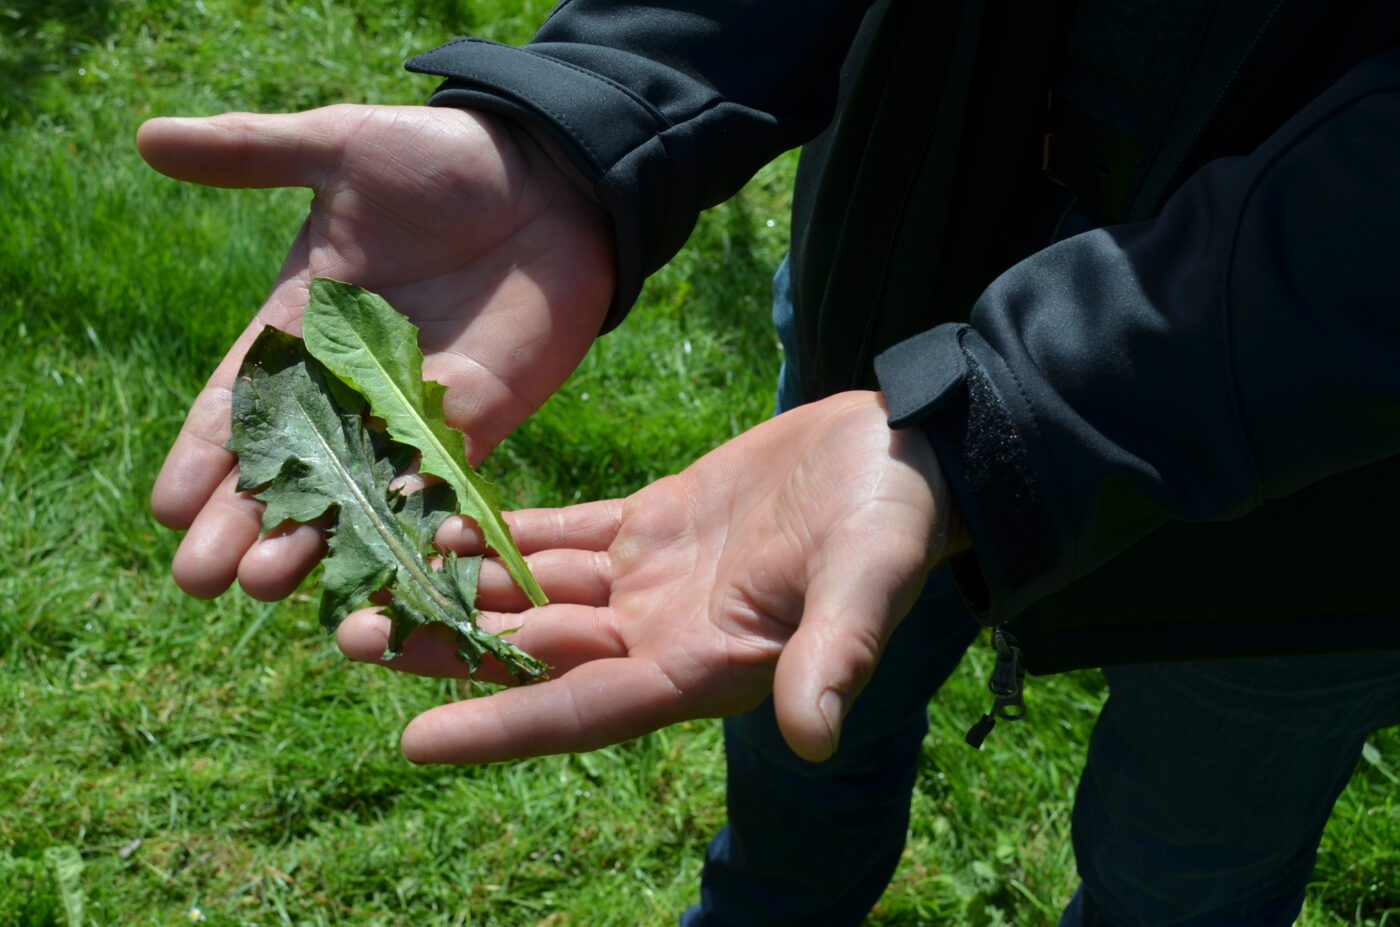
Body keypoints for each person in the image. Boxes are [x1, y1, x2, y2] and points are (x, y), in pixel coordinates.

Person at [141, 1, 1400, 923]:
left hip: (1317, 500)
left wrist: (1020, 410)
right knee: (798, 759)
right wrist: (597, 111)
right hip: (881, 323)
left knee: (1188, 874)